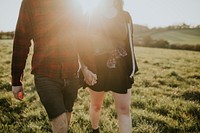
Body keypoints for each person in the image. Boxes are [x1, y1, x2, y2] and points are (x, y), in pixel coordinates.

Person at [11, 0, 91, 132]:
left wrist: (87, 68)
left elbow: (82, 39)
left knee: (66, 121)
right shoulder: (31, 3)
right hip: (46, 75)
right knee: (60, 125)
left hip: (71, 74)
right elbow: (21, 40)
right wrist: (16, 81)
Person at [79, 0, 138, 133]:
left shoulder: (125, 16)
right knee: (96, 105)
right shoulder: (91, 14)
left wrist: (132, 69)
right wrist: (85, 68)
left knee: (124, 109)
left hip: (121, 68)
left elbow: (129, 42)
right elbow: (83, 43)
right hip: (97, 68)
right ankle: (95, 130)